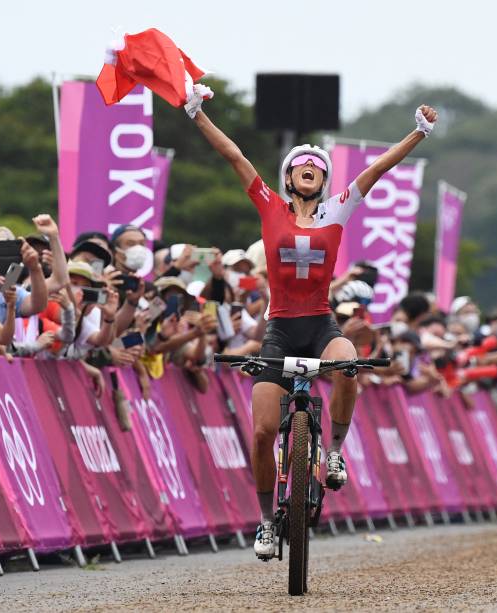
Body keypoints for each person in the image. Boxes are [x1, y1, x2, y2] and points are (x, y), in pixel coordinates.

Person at [186, 84, 436, 558]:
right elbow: (235, 156)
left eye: (318, 167)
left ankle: (335, 452)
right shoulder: (269, 206)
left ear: (323, 180)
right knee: (261, 433)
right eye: (301, 165)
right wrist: (197, 114)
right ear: (288, 177)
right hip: (279, 330)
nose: (310, 168)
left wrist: (418, 133)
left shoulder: (338, 208)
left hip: (321, 325)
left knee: (348, 364)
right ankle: (263, 522)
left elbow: (379, 168)